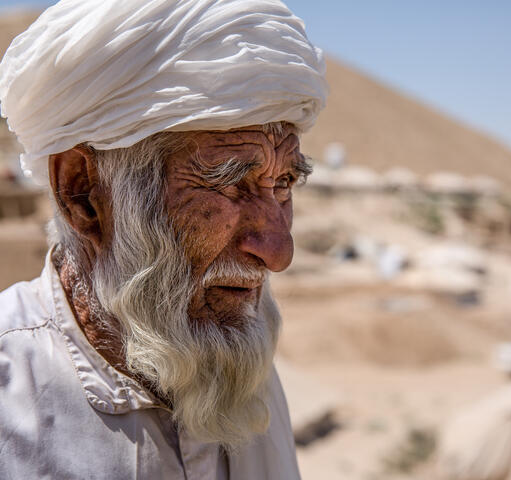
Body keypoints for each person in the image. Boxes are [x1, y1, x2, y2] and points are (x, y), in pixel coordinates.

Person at [0, 0, 327, 478]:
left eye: (283, 185)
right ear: (84, 193)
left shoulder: (242, 366)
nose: (278, 252)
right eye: (226, 181)